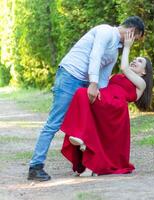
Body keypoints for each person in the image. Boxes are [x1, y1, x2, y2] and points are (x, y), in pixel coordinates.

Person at [28, 16, 145, 181]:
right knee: (54, 123)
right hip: (70, 76)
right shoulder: (105, 31)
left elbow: (104, 76)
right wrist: (93, 83)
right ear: (132, 32)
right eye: (136, 38)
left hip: (87, 82)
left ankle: (89, 159)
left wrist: (101, 95)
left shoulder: (115, 50)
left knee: (90, 118)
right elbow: (95, 56)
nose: (134, 43)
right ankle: (35, 166)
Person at [60, 31, 153, 176]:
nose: (135, 61)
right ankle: (86, 156)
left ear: (144, 72)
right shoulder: (120, 76)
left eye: (140, 61)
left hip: (114, 106)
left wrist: (127, 47)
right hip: (105, 97)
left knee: (80, 93)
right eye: (135, 59)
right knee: (82, 96)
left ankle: (82, 137)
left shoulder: (141, 83)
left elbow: (124, 67)